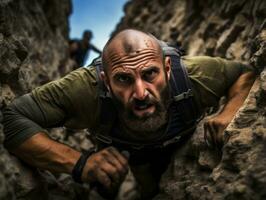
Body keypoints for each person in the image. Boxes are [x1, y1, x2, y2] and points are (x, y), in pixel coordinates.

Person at [3, 29, 255, 199]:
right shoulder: (83, 90)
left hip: (180, 144)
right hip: (131, 156)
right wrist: (82, 163)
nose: (140, 92)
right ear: (105, 81)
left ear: (167, 69)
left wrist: (229, 111)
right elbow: (13, 118)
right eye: (123, 79)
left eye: (149, 74)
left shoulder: (193, 75)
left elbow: (244, 73)